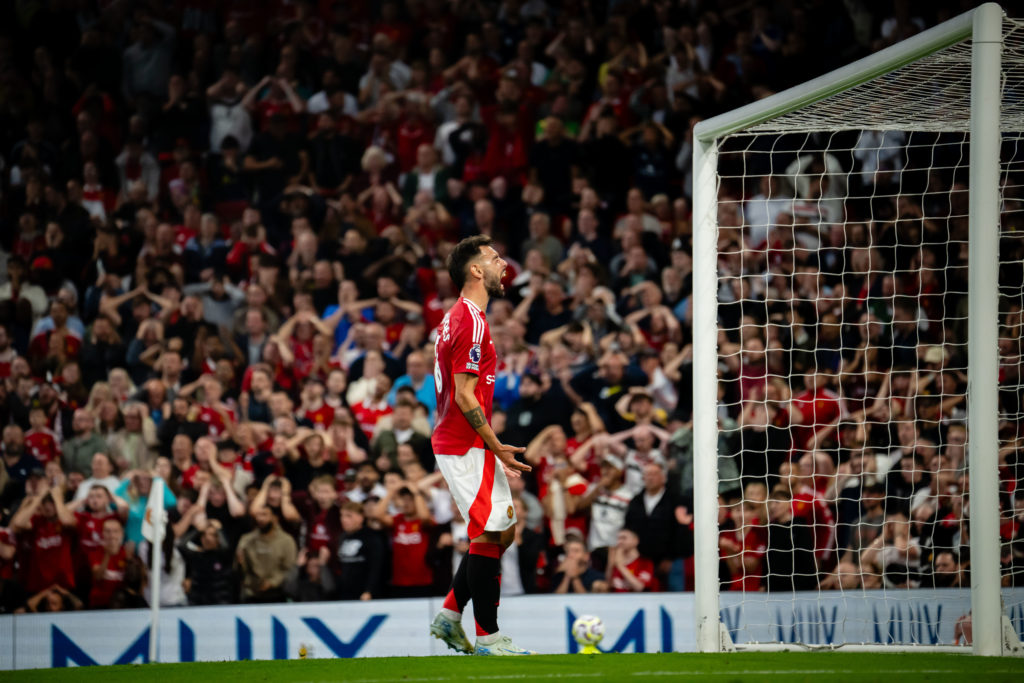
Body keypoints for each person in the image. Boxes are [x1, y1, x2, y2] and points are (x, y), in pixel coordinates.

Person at [428, 235, 534, 656]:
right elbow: (464, 395)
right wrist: (496, 446)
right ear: (476, 270)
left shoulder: (458, 318)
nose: (503, 264)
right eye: (494, 258)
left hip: (468, 442)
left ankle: (450, 615)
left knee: (502, 532)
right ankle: (489, 638)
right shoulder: (470, 320)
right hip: (463, 443)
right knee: (491, 534)